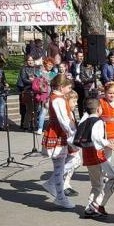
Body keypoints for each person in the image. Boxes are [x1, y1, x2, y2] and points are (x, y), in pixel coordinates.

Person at [73, 98, 114, 218]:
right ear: (99, 109)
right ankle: (96, 204)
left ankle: (90, 208)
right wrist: (107, 143)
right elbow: (96, 137)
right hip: (97, 154)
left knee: (96, 184)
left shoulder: (83, 122)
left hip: (87, 155)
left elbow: (74, 139)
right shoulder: (98, 121)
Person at [40, 75, 76, 209]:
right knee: (60, 166)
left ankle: (52, 185)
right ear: (61, 87)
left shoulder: (57, 98)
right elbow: (64, 120)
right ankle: (60, 197)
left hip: (61, 133)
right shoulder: (58, 100)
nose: (70, 89)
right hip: (59, 134)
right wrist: (73, 134)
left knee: (73, 159)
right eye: (69, 87)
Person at [20, 56, 40, 130]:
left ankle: (34, 124)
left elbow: (40, 78)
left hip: (37, 91)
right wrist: (32, 82)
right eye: (29, 60)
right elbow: (24, 79)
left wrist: (35, 81)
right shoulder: (24, 69)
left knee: (36, 109)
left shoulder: (37, 69)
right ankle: (26, 125)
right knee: (29, 109)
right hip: (28, 90)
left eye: (32, 60)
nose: (30, 62)